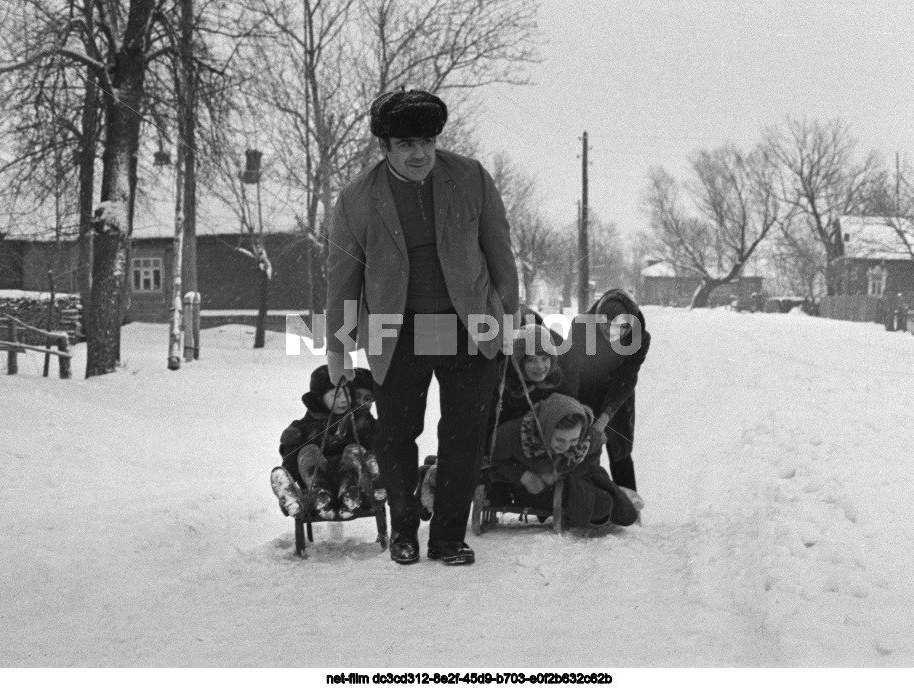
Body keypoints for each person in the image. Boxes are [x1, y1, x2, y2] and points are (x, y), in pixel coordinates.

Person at [324, 89, 519, 565]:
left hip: (467, 327)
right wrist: (338, 349)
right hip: (399, 331)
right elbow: (343, 278)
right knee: (396, 435)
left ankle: (449, 536)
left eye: (428, 142)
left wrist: (507, 321)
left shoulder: (471, 178)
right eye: (407, 144)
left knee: (463, 436)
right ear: (385, 147)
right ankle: (405, 531)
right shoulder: (356, 199)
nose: (420, 154)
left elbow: (500, 254)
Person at [487, 393, 640, 528]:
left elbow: (593, 454)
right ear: (547, 429)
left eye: (573, 440)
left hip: (569, 475)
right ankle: (607, 498)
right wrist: (524, 475)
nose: (566, 447)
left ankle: (618, 496)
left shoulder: (586, 435)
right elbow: (492, 462)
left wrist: (567, 472)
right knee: (603, 504)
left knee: (623, 512)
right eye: (560, 440)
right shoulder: (514, 434)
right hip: (533, 486)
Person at [560, 289, 650, 494]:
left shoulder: (640, 339)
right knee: (582, 445)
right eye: (606, 325)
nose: (611, 331)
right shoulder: (581, 325)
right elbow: (572, 370)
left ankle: (629, 503)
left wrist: (605, 417)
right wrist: (574, 410)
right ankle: (584, 497)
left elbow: (626, 378)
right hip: (584, 388)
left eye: (620, 328)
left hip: (617, 393)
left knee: (620, 450)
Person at [269, 365, 380, 520]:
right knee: (308, 451)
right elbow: (291, 461)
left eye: (347, 394)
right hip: (314, 486)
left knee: (355, 449)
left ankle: (349, 494)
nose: (343, 400)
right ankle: (299, 497)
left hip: (352, 482)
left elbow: (375, 448)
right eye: (337, 395)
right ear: (320, 398)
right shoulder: (303, 428)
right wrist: (289, 477)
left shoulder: (355, 423)